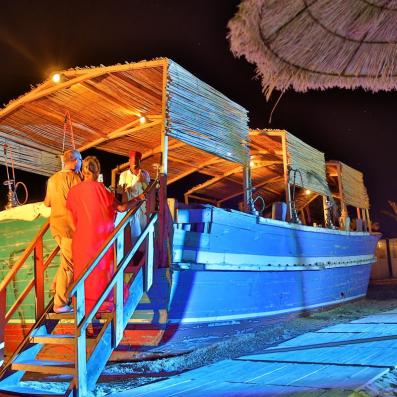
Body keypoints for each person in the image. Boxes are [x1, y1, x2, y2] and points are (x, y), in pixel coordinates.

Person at [66, 156, 144, 314]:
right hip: (100, 240)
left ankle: (84, 316)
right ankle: (101, 306)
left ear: (82, 171)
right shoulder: (103, 191)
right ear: (98, 172)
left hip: (81, 240)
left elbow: (70, 219)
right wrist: (139, 199)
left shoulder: (73, 192)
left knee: (83, 276)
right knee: (100, 273)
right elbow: (121, 208)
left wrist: (81, 232)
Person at [44, 149, 82, 313]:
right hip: (69, 228)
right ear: (74, 161)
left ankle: (55, 285)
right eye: (80, 159)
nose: (81, 163)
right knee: (70, 266)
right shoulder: (74, 178)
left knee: (66, 260)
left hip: (56, 226)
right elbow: (82, 200)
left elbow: (47, 203)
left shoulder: (52, 179)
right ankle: (59, 303)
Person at [117, 150, 150, 242]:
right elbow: (120, 192)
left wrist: (143, 181)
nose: (134, 162)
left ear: (140, 161)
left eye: (136, 159)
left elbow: (148, 192)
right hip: (130, 208)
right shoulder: (124, 175)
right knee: (132, 237)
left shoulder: (145, 174)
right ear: (129, 161)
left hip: (142, 210)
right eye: (132, 160)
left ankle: (142, 253)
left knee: (143, 235)